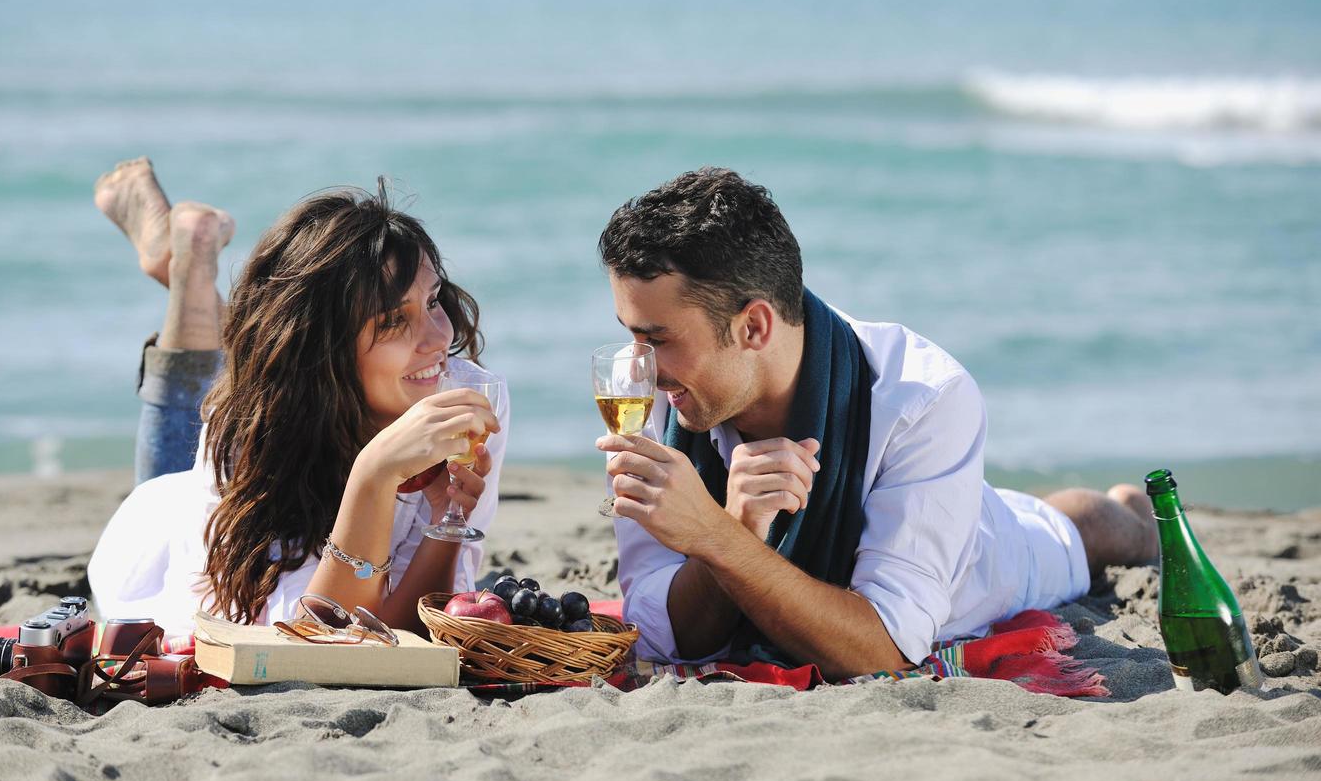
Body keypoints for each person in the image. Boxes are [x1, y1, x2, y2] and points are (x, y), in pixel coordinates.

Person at [595, 167, 1156, 677]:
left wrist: (716, 537)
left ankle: (1136, 513)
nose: (638, 362)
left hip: (992, 555)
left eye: (658, 339)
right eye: (630, 332)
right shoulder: (642, 388)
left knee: (1087, 528)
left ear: (755, 328)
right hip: (918, 513)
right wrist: (737, 529)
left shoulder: (923, 397)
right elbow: (659, 632)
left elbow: (883, 651)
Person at [86, 158, 507, 635]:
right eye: (393, 320)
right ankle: (190, 270)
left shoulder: (470, 398)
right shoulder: (244, 432)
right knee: (212, 408)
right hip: (163, 539)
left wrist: (444, 524)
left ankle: (188, 265)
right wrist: (374, 474)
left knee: (259, 354)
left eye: (432, 301)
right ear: (326, 352)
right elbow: (313, 634)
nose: (437, 337)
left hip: (292, 387)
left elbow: (408, 629)